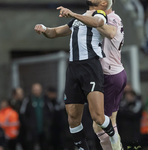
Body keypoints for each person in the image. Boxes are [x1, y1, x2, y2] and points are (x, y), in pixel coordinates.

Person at [34, 0, 122, 149]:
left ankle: (114, 135)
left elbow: (97, 23)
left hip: (90, 66)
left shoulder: (99, 14)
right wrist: (44, 29)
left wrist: (72, 13)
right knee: (73, 117)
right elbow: (54, 32)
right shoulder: (77, 19)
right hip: (73, 68)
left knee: (98, 117)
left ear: (103, 3)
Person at [91, 0, 127, 149]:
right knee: (111, 122)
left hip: (110, 75)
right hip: (116, 72)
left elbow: (110, 33)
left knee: (99, 124)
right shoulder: (115, 18)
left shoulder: (111, 19)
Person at [20, 83, 53, 150]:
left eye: (38, 89)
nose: (36, 91)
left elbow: (51, 112)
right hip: (32, 131)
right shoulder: (28, 100)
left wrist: (48, 124)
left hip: (44, 130)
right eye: (35, 90)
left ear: (41, 90)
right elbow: (22, 114)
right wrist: (28, 125)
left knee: (45, 146)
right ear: (32, 90)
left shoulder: (46, 100)